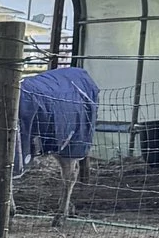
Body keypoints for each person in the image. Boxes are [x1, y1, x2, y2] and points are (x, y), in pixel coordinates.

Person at [16, 60, 100, 222]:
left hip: (54, 110)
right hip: (33, 103)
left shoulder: (77, 85)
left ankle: (64, 205)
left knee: (68, 163)